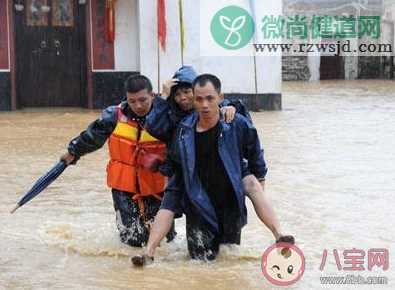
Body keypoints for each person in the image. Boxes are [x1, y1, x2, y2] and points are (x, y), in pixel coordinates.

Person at [132, 74, 294, 266]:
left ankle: (279, 235)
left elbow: (255, 153)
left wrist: (261, 179)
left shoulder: (235, 123)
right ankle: (148, 254)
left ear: (220, 97)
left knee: (229, 259)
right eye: (199, 99)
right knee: (200, 263)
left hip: (228, 201)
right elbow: (161, 138)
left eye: (210, 98)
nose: (205, 105)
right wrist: (161, 98)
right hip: (198, 201)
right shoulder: (183, 130)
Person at [60, 75, 176, 247]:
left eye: (143, 100)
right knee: (131, 239)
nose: (138, 106)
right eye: (132, 101)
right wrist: (73, 151)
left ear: (152, 95)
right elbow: (93, 137)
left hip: (158, 187)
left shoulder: (167, 115)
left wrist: (227, 107)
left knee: (164, 241)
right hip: (124, 187)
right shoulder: (114, 115)